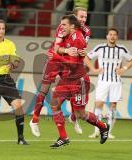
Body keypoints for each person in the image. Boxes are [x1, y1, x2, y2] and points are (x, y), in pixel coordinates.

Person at [50, 14, 109, 148]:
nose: (61, 27)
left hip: (78, 81)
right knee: (55, 104)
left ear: (72, 26)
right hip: (66, 79)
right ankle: (63, 137)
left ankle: (103, 126)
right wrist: (62, 51)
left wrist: (58, 59)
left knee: (80, 114)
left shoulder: (78, 39)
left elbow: (71, 63)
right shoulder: (66, 35)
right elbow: (56, 49)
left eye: (64, 25)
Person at [29, 7, 91, 137]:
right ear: (73, 18)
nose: (83, 19)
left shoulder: (86, 31)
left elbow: (81, 50)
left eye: (85, 17)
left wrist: (82, 53)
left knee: (74, 89)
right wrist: (67, 51)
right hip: (55, 61)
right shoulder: (62, 27)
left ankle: (73, 118)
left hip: (69, 64)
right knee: (44, 90)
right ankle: (34, 120)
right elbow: (56, 48)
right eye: (81, 17)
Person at [88, 27, 132, 139]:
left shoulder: (121, 49)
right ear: (107, 36)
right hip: (103, 80)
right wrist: (93, 70)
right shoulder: (100, 48)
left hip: (116, 81)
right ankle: (97, 130)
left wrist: (123, 68)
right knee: (99, 104)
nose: (112, 36)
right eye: (110, 34)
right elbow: (86, 57)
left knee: (113, 105)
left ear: (117, 37)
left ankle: (108, 131)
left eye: (114, 34)